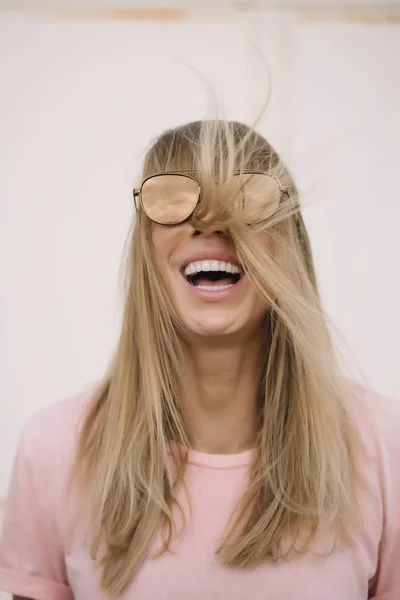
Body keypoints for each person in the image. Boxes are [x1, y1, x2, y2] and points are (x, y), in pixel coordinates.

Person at [0, 120, 399, 600]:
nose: (211, 222)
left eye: (248, 200)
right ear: (144, 248)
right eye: (171, 198)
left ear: (289, 246)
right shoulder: (53, 450)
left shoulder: (384, 446)